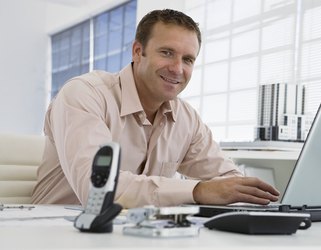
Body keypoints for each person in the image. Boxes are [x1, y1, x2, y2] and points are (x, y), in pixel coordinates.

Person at [31, 9, 279, 208]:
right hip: (60, 232)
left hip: (139, 234)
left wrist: (251, 196)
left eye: (188, 59)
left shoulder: (186, 119)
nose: (177, 68)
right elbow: (98, 189)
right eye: (167, 53)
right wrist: (198, 190)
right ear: (138, 52)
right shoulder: (85, 94)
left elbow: (228, 180)